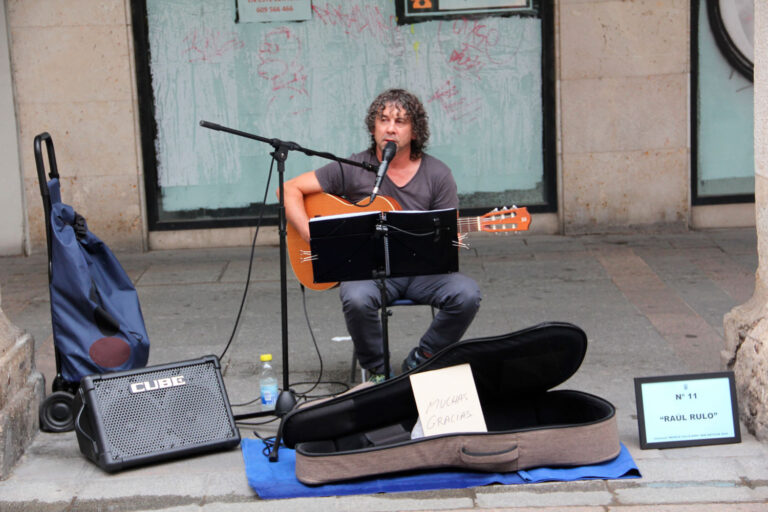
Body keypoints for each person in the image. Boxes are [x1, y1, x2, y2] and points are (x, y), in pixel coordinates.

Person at [282, 88, 481, 383]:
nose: (390, 128)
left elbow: (448, 240)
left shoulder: (438, 174)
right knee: (355, 297)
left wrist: (451, 239)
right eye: (383, 119)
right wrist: (312, 233)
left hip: (421, 273)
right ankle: (377, 370)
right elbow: (288, 189)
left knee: (467, 294)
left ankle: (423, 358)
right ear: (373, 127)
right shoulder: (353, 168)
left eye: (400, 122)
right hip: (369, 272)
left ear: (414, 132)